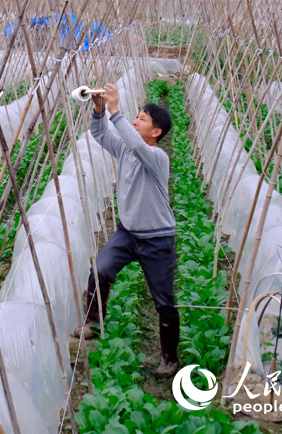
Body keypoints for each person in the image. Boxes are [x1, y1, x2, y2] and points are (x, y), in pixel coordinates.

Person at [78, 82, 180, 378]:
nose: (135, 121)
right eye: (135, 116)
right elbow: (99, 134)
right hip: (128, 232)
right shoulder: (125, 147)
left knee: (163, 300)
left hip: (157, 238)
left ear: (156, 132)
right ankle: (93, 323)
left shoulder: (158, 158)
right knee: (100, 271)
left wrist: (115, 112)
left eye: (142, 119)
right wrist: (99, 112)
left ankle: (170, 358)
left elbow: (136, 144)